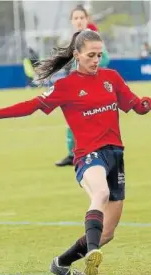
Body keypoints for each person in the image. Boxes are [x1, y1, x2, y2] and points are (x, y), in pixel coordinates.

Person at [0, 29, 151, 275]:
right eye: (91, 55)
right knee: (100, 193)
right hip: (88, 156)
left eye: (99, 55)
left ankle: (60, 264)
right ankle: (93, 251)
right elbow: (30, 107)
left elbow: (133, 105)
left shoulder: (111, 78)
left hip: (116, 155)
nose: (96, 60)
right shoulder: (65, 86)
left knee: (108, 232)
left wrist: (146, 104)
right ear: (77, 55)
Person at [56, 5, 111, 167]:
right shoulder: (74, 39)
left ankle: (100, 153)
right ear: (72, 21)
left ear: (87, 19)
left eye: (82, 17)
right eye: (76, 18)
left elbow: (105, 59)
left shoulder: (93, 37)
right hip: (76, 85)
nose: (79, 21)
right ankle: (72, 155)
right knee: (72, 120)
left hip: (92, 85)